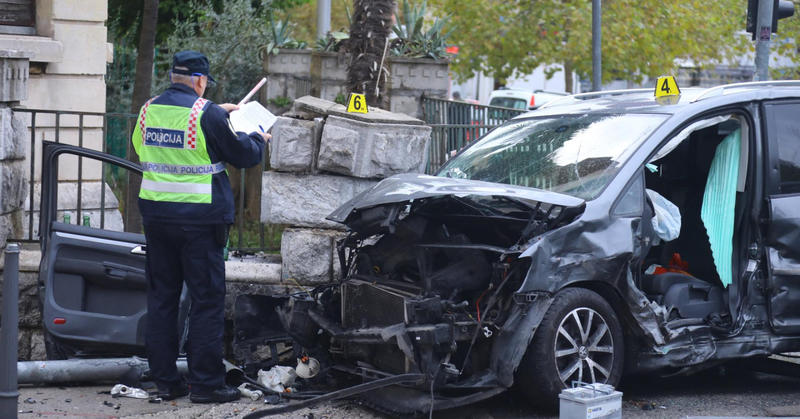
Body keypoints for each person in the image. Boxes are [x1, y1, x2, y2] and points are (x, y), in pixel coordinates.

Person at [131, 50, 270, 404]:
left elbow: (140, 148)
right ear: (200, 81)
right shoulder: (204, 113)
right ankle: (206, 385)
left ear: (174, 76)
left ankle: (165, 381)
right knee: (206, 301)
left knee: (162, 298)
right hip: (200, 222)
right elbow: (241, 154)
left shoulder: (149, 110)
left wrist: (215, 115)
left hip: (157, 218)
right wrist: (257, 137)